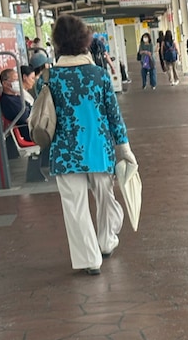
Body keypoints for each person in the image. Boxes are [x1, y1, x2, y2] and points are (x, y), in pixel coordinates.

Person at [47, 15, 134, 274]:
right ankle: (106, 241)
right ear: (85, 40)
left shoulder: (50, 77)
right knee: (105, 197)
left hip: (65, 152)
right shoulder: (98, 75)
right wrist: (124, 148)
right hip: (98, 148)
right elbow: (113, 115)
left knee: (75, 207)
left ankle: (90, 259)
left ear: (57, 43)